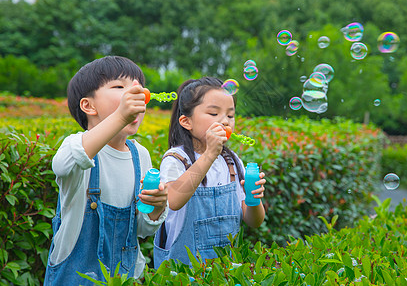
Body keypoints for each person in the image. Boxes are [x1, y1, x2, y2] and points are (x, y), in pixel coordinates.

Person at [44, 56, 168, 285]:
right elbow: (63, 164)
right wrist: (121, 116)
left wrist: (156, 207)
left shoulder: (140, 156)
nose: (136, 94)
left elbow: (141, 229)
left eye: (137, 88)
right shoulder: (78, 146)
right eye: (119, 87)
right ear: (88, 106)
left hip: (126, 278)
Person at [153, 77, 266, 268]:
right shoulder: (176, 159)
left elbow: (254, 221)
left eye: (230, 116)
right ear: (186, 121)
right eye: (214, 113)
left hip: (226, 270)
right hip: (182, 272)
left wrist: (253, 199)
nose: (225, 121)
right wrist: (210, 153)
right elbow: (173, 200)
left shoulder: (232, 162)